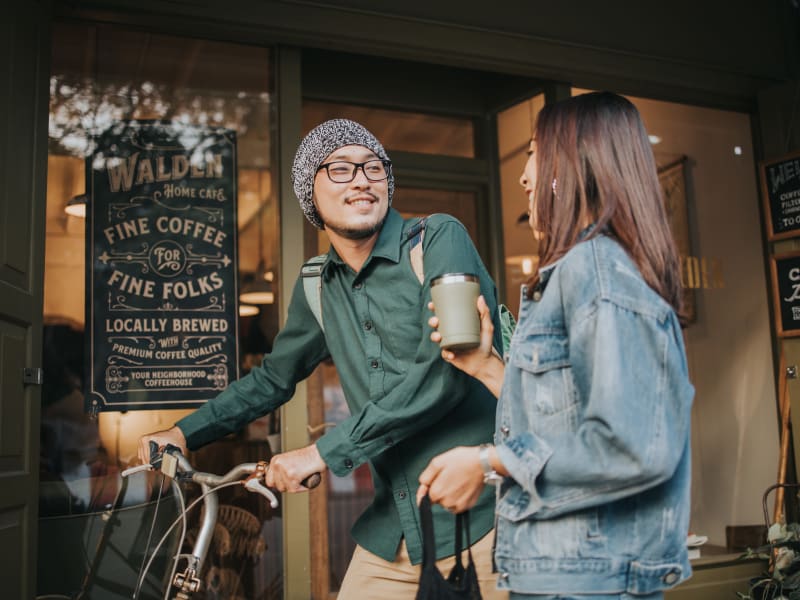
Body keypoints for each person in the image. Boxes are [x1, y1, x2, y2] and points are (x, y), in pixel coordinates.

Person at [138, 118, 507, 598]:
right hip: (392, 530)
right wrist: (183, 432)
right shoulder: (317, 284)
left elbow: (446, 371)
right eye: (339, 169)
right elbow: (273, 378)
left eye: (374, 168)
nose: (361, 179)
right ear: (309, 192)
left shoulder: (436, 238)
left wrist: (322, 453)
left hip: (484, 520)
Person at [417, 91, 695, 599]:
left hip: (586, 581)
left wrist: (485, 462)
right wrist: (487, 367)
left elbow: (632, 444)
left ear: (570, 167)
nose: (523, 177)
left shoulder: (594, 269)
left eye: (533, 152)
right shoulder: (585, 271)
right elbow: (566, 421)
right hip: (567, 574)